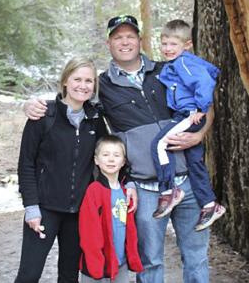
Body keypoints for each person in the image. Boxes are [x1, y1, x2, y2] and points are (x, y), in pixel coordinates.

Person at [25, 15, 213, 283]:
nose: (125, 42)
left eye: (130, 36)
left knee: (196, 257)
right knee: (149, 261)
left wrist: (200, 135)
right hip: (147, 188)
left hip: (188, 183)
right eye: (118, 37)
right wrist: (33, 106)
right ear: (109, 43)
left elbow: (205, 102)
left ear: (139, 40)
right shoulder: (103, 85)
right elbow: (73, 101)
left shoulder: (167, 70)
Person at [15, 56, 108, 283]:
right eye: (77, 79)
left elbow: (106, 158)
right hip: (45, 209)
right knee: (29, 274)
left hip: (79, 214)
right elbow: (26, 164)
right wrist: (31, 207)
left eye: (89, 81)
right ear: (65, 81)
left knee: (69, 276)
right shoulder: (43, 114)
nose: (83, 85)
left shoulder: (95, 119)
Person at [150, 20, 226, 231]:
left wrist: (200, 108)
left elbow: (204, 82)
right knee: (195, 162)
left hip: (188, 114)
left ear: (187, 44)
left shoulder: (184, 62)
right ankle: (210, 205)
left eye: (173, 44)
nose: (167, 49)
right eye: (164, 44)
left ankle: (168, 191)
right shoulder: (175, 65)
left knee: (158, 145)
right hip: (188, 113)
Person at [79, 135, 143, 283]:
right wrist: (95, 262)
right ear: (96, 160)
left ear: (123, 162)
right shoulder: (94, 191)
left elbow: (127, 227)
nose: (111, 159)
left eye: (116, 155)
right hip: (97, 264)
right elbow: (88, 231)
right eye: (105, 155)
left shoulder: (125, 192)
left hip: (120, 262)